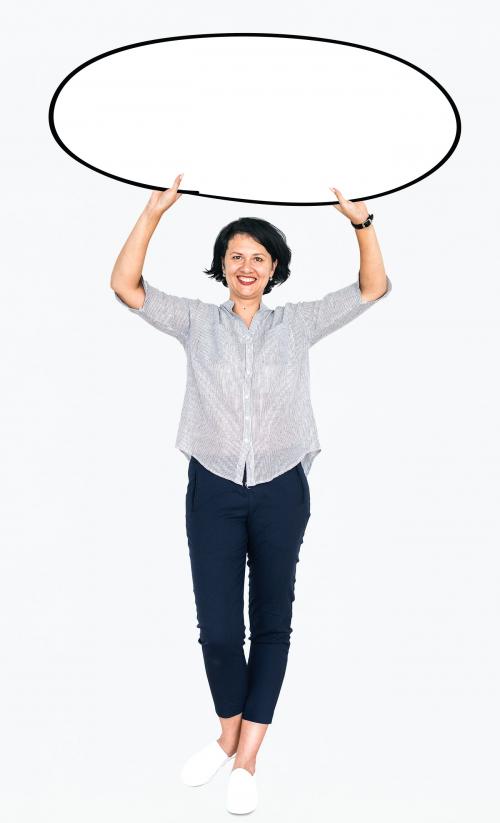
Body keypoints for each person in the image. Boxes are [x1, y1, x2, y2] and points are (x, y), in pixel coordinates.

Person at [110, 173, 392, 814]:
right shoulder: (192, 322)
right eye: (235, 256)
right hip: (211, 486)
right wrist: (153, 214)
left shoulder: (297, 325)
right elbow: (125, 286)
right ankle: (228, 734)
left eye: (258, 258)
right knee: (216, 627)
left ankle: (244, 758)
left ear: (274, 271)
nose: (246, 266)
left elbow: (373, 288)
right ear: (221, 266)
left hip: (282, 488)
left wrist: (361, 223)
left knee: (271, 624)